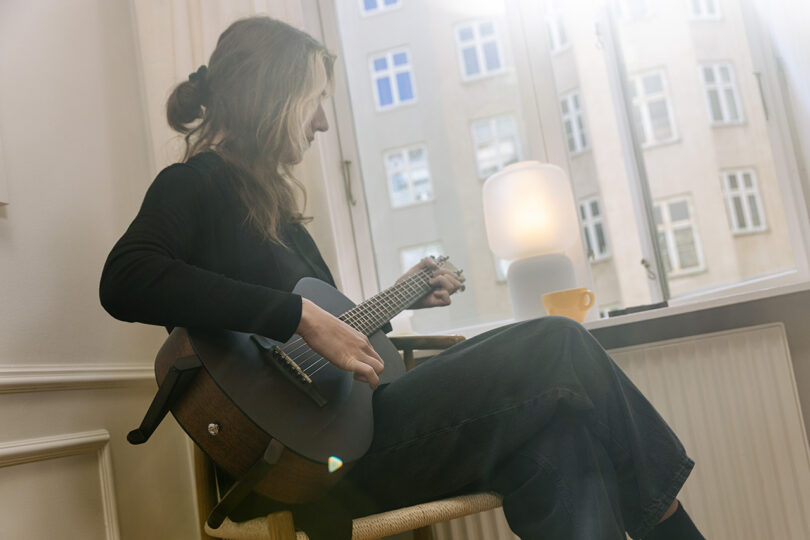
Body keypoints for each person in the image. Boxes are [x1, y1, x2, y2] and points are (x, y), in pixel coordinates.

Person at [100, 16, 705, 540]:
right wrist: (302, 317)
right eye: (314, 100)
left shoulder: (284, 220)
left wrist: (394, 302)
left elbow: (325, 358)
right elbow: (126, 279)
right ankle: (672, 526)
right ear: (272, 95)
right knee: (559, 341)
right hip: (300, 466)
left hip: (353, 436)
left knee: (562, 440)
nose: (321, 125)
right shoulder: (194, 184)